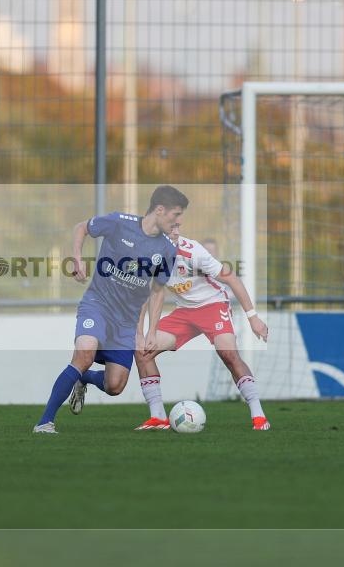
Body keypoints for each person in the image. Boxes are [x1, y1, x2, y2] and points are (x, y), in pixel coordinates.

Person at [33, 185, 189, 434]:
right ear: (160, 210)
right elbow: (81, 227)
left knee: (114, 386)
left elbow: (158, 291)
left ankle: (84, 378)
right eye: (176, 214)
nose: (178, 221)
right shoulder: (119, 223)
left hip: (126, 322)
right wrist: (77, 258)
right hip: (98, 305)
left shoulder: (167, 249)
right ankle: (44, 422)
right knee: (84, 354)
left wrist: (151, 331)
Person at [133, 226, 271, 430]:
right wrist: (140, 332)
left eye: (177, 227)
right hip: (184, 311)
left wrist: (253, 318)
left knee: (228, 354)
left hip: (213, 305)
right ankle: (158, 418)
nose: (175, 232)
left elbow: (232, 278)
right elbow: (146, 294)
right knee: (142, 351)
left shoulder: (193, 252)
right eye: (170, 228)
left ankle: (259, 416)